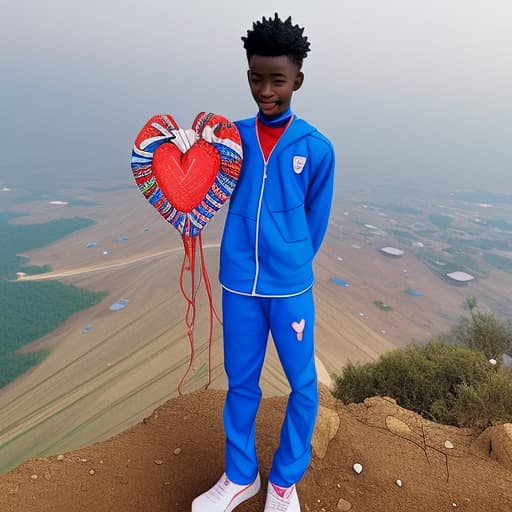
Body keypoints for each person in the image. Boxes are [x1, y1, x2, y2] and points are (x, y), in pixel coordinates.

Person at [192, 13, 335, 512]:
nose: (266, 89)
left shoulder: (316, 147)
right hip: (238, 286)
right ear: (247, 74)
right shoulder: (230, 139)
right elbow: (200, 187)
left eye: (277, 79)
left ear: (298, 79)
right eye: (256, 77)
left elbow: (315, 218)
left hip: (291, 289)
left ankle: (283, 484)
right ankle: (239, 477)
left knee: (302, 385)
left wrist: (291, 258)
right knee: (242, 384)